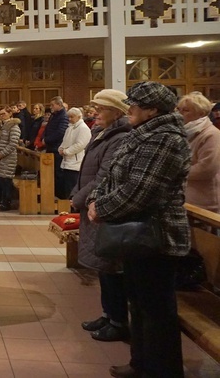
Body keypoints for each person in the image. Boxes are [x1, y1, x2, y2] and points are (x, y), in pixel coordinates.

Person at [88, 82, 191, 378]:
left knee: (156, 312)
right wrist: (97, 199)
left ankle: (161, 370)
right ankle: (141, 364)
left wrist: (101, 208)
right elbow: (111, 176)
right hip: (136, 234)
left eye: (134, 105)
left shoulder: (166, 139)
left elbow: (141, 191)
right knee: (137, 303)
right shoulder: (144, 134)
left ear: (152, 110)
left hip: (156, 237)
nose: (128, 109)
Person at [72, 90, 132, 343]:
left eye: (102, 109)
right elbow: (88, 170)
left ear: (117, 112)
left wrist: (79, 197)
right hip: (93, 204)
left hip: (105, 208)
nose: (95, 113)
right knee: (102, 267)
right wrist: (78, 191)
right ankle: (108, 314)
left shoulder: (121, 137)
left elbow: (104, 176)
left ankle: (118, 321)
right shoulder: (102, 133)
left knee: (111, 266)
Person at [178, 92, 220, 213]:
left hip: (204, 200)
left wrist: (176, 172)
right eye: (179, 109)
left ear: (200, 113)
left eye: (186, 110)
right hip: (186, 197)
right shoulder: (184, 132)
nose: (180, 114)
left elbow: (207, 169)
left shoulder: (211, 134)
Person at [0, 106, 21, 211]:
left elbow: (12, 144)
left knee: (6, 180)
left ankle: (7, 203)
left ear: (10, 114)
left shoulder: (14, 127)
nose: (2, 116)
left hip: (8, 158)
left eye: (4, 114)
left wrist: (0, 154)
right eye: (1, 114)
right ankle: (0, 200)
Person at [58, 107, 91, 200]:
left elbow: (81, 144)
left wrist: (66, 151)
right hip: (67, 162)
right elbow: (65, 141)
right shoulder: (70, 128)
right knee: (66, 187)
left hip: (76, 163)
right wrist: (60, 148)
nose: (69, 119)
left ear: (79, 116)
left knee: (72, 187)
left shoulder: (83, 128)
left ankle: (74, 209)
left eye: (72, 117)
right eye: (68, 117)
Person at [43, 96, 69, 198]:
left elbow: (60, 132)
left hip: (56, 148)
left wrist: (47, 139)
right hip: (50, 147)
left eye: (53, 105)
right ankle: (52, 194)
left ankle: (60, 196)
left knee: (58, 173)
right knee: (51, 173)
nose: (51, 107)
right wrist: (45, 138)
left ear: (59, 104)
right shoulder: (54, 115)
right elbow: (48, 128)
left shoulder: (63, 116)